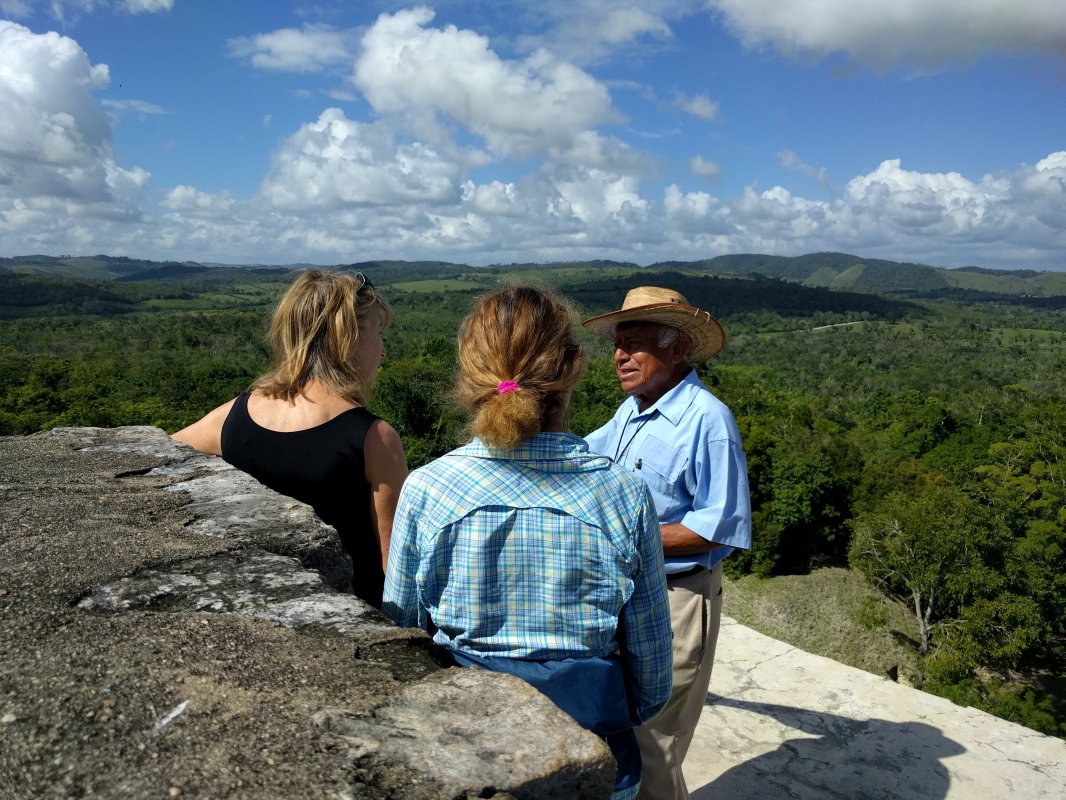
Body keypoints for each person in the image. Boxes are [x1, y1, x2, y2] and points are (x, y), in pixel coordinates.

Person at [381, 285, 672, 800]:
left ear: (470, 372)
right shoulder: (622, 495)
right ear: (574, 365)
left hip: (466, 751)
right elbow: (650, 678)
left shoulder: (428, 490)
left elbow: (403, 635)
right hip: (592, 754)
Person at [582, 286, 752, 800]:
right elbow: (582, 458)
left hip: (678, 598)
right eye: (617, 343)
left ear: (676, 349)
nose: (619, 355)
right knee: (623, 733)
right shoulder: (631, 412)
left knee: (655, 743)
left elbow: (716, 527)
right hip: (628, 595)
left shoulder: (707, 421)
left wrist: (628, 535)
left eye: (634, 343)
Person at [171, 269, 407, 608]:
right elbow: (393, 566)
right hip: (346, 614)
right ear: (350, 339)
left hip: (253, 600)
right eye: (378, 336)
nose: (382, 351)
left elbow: (157, 454)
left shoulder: (233, 415)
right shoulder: (374, 439)